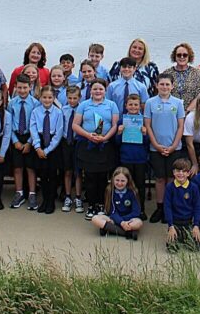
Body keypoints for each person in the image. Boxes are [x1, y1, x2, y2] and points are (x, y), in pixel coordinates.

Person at [72, 78, 121, 218]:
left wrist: (105, 138)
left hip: (105, 146)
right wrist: (88, 135)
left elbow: (114, 125)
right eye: (95, 89)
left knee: (102, 177)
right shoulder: (83, 105)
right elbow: (75, 125)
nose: (98, 91)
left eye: (100, 89)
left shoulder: (112, 105)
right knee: (90, 177)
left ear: (105, 90)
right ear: (90, 90)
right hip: (88, 145)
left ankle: (101, 204)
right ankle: (92, 205)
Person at [144, 74, 186, 222]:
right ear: (156, 85)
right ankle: (160, 207)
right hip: (156, 148)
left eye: (167, 84)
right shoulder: (150, 102)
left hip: (174, 147)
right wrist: (155, 144)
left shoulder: (178, 103)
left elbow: (181, 126)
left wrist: (174, 145)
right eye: (161, 84)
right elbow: (147, 125)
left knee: (171, 178)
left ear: (172, 86)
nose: (164, 87)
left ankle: (170, 207)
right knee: (160, 178)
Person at [28, 85, 65, 214]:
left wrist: (48, 150)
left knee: (52, 175)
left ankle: (51, 201)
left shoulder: (58, 112)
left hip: (53, 146)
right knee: (43, 175)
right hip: (39, 143)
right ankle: (44, 200)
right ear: (40, 98)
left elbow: (59, 133)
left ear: (54, 98)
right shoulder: (35, 112)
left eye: (50, 97)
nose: (47, 100)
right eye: (44, 97)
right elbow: (32, 129)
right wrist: (37, 147)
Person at [7, 76, 40, 210]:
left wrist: (29, 142)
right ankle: (19, 193)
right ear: (15, 87)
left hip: (30, 137)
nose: (22, 90)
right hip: (16, 137)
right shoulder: (11, 103)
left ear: (30, 87)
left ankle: (32, 194)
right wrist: (15, 141)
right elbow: (8, 123)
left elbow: (37, 124)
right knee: (17, 167)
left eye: (25, 87)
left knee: (30, 167)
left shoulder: (35, 103)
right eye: (19, 87)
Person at [116, 94, 149, 211]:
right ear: (126, 106)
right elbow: (116, 143)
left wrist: (145, 134)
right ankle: (126, 208)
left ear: (140, 106)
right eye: (130, 104)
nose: (133, 107)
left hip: (140, 158)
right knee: (126, 184)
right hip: (126, 157)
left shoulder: (144, 121)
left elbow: (147, 143)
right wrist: (119, 133)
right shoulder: (122, 121)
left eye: (136, 105)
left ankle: (141, 209)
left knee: (140, 185)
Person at [163, 158, 200, 253]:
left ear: (188, 173)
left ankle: (188, 235)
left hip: (189, 222)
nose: (180, 174)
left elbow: (198, 207)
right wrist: (170, 226)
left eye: (184, 171)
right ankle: (176, 235)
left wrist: (196, 225)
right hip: (175, 222)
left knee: (195, 247)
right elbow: (167, 207)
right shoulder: (169, 187)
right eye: (178, 171)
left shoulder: (194, 188)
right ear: (173, 172)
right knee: (172, 249)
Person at [92, 167, 143, 240]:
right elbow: (112, 212)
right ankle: (128, 233)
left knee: (139, 223)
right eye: (117, 180)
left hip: (129, 219)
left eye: (123, 181)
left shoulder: (132, 192)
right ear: (113, 180)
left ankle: (110, 229)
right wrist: (120, 222)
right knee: (95, 219)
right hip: (114, 219)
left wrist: (123, 222)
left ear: (128, 181)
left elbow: (136, 212)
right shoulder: (110, 191)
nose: (119, 183)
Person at [162, 42, 200, 109]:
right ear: (175, 57)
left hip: (191, 113)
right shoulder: (167, 73)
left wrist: (187, 111)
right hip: (170, 110)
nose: (182, 57)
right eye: (179, 55)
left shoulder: (196, 73)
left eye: (185, 55)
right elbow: (163, 93)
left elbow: (199, 96)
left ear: (189, 57)